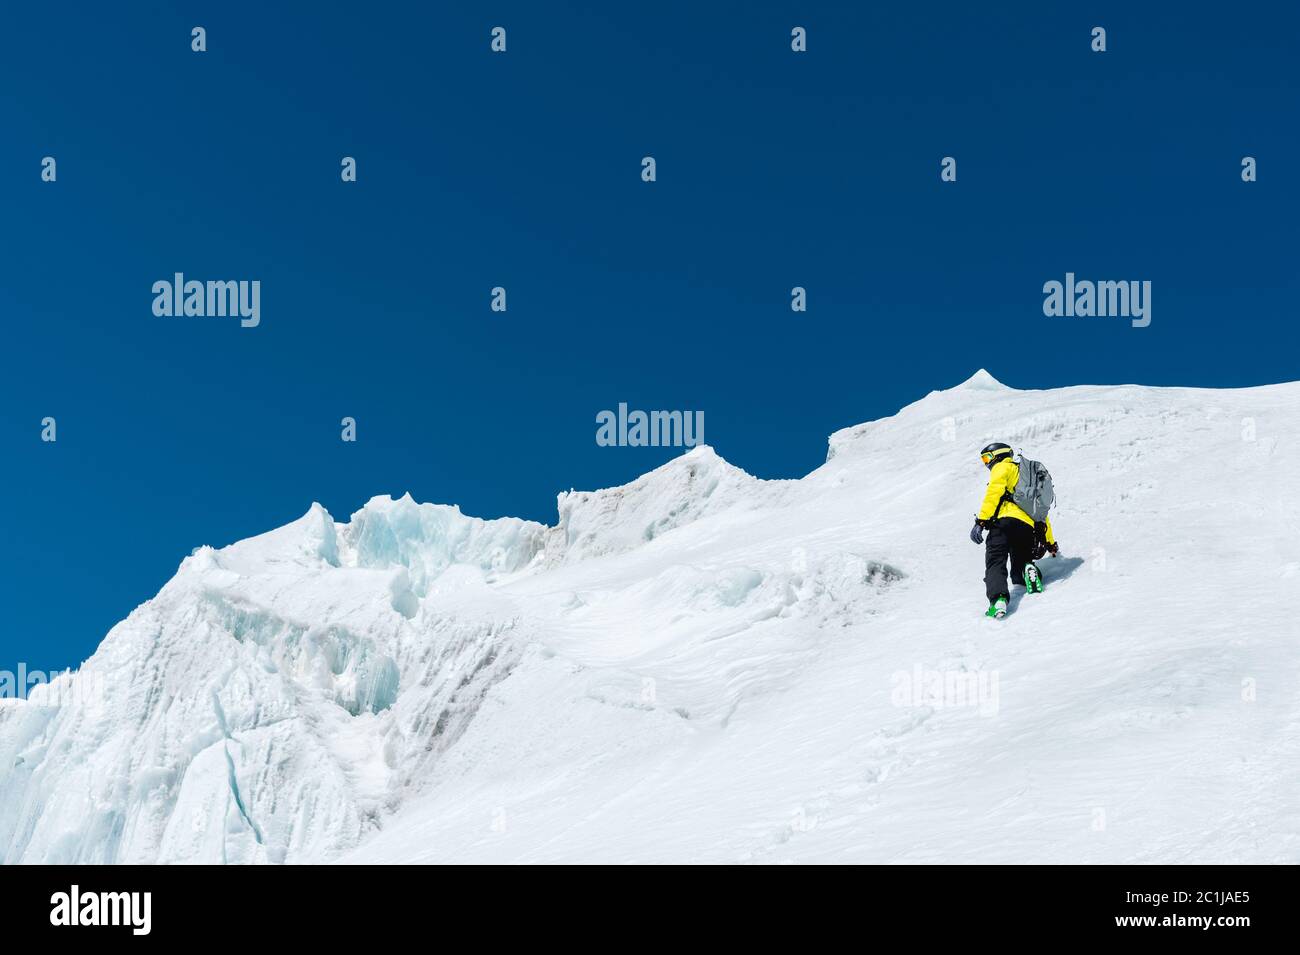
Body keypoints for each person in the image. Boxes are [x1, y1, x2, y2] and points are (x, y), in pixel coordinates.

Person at [969, 442, 1058, 617]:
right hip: (1026, 527)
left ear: (998, 455)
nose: (986, 463)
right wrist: (1050, 542)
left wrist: (981, 522)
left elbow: (993, 493)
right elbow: (1041, 513)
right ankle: (1028, 570)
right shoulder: (1026, 479)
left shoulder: (1002, 467)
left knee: (996, 561)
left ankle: (999, 600)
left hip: (1003, 524)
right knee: (1019, 569)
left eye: (987, 458)